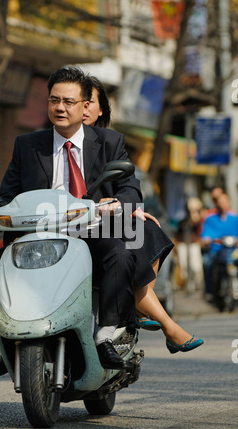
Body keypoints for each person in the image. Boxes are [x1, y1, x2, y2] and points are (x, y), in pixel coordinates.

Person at [0, 66, 153, 378]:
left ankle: (106, 333)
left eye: (69, 102)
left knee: (120, 254)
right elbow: (6, 196)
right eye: (54, 100)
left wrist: (117, 204)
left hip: (90, 233)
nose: (60, 107)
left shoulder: (110, 142)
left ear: (86, 107)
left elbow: (131, 189)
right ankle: (6, 343)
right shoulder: (28, 145)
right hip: (38, 239)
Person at [82, 75, 204, 353]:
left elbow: (130, 187)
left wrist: (126, 208)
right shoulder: (46, 144)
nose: (84, 108)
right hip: (71, 226)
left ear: (101, 109)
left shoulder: (111, 142)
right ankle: (167, 325)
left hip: (108, 223)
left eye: (91, 102)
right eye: (81, 101)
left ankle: (140, 307)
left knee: (148, 228)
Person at [201, 192, 238, 296]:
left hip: (233, 251)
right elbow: (205, 235)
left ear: (229, 202)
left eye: (225, 201)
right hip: (216, 250)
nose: (223, 204)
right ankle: (209, 290)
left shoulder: (235, 218)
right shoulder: (210, 219)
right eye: (220, 202)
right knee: (206, 262)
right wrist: (207, 240)